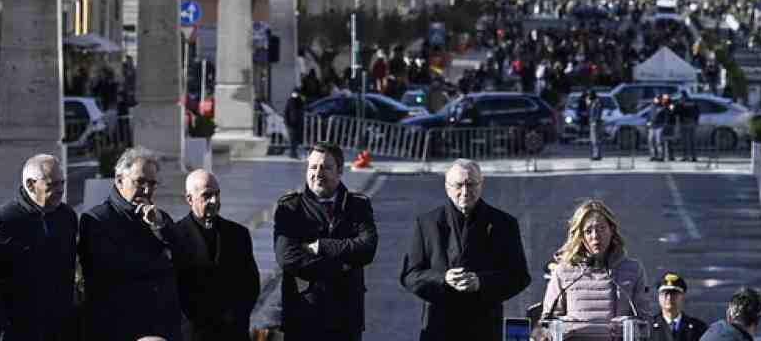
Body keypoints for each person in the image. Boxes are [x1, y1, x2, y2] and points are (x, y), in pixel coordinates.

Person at [399, 159, 531, 341]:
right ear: (447, 187)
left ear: (481, 184)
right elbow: (410, 275)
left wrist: (481, 282)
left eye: (471, 184)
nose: (465, 192)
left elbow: (520, 276)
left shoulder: (504, 224)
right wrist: (442, 279)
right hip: (438, 327)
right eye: (458, 185)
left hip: (484, 328)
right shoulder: (427, 223)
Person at [275, 143, 379, 341]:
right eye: (313, 167)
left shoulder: (358, 205)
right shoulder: (290, 208)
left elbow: (367, 248)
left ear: (340, 171)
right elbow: (288, 258)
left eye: (325, 167)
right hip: (303, 316)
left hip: (346, 317)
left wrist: (321, 246)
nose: (317, 173)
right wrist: (343, 265)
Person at [79, 146, 183, 341]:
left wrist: (159, 227)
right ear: (119, 180)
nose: (146, 190)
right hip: (121, 328)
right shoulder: (96, 220)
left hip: (163, 327)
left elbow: (185, 256)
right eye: (140, 182)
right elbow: (108, 276)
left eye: (152, 183)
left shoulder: (160, 218)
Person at [0, 153, 78, 341]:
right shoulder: (1, 222)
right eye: (52, 185)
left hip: (61, 326)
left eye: (62, 183)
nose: (60, 190)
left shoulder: (67, 216)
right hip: (19, 329)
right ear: (30, 185)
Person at [538, 199, 654, 341]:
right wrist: (565, 327)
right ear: (580, 236)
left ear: (612, 230)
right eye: (588, 231)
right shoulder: (563, 271)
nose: (595, 236)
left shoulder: (633, 270)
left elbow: (645, 324)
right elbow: (546, 324)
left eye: (601, 228)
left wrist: (625, 327)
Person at [171, 169, 260, 341]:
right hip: (194, 334)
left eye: (217, 194)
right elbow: (175, 291)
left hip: (233, 333)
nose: (215, 200)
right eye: (207, 195)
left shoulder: (238, 234)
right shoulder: (175, 236)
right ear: (189, 199)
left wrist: (236, 317)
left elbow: (251, 284)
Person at [652, 272, 710, 341]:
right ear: (659, 297)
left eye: (674, 294)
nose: (669, 298)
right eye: (665, 293)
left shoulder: (698, 328)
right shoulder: (648, 327)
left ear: (682, 297)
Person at [285, 86, 306, 159]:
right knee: (292, 139)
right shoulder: (291, 100)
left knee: (295, 139)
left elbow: (302, 108)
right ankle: (293, 153)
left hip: (297, 122)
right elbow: (286, 112)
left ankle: (294, 153)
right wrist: (287, 122)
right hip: (292, 122)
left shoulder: (299, 101)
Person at [589, 91, 608, 162]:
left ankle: (597, 155)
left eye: (589, 96)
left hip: (595, 123)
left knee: (596, 140)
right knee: (595, 140)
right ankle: (596, 155)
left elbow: (598, 114)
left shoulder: (597, 103)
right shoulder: (594, 102)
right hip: (594, 123)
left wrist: (595, 122)